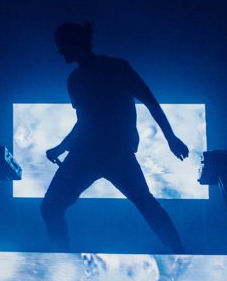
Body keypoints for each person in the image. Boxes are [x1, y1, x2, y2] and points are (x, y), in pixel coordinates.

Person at [41, 22, 188, 253]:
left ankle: (179, 252)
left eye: (62, 45)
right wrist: (60, 147)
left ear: (76, 42)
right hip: (93, 153)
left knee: (145, 203)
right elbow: (85, 120)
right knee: (51, 207)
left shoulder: (116, 68)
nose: (60, 51)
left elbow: (150, 101)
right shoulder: (76, 79)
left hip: (111, 152)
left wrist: (171, 138)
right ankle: (179, 252)